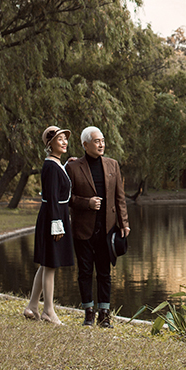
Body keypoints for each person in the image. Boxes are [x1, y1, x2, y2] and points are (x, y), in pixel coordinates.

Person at [66, 126, 130, 327]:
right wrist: (87, 203)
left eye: (102, 140)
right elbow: (67, 198)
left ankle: (104, 314)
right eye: (96, 141)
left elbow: (120, 197)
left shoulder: (113, 165)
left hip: (107, 230)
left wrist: (124, 224)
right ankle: (88, 313)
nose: (101, 144)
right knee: (85, 272)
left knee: (104, 273)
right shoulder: (73, 167)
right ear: (85, 145)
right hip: (82, 229)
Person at [22, 126, 75, 325]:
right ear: (49, 144)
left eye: (65, 139)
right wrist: (57, 224)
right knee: (51, 264)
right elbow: (52, 197)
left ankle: (32, 306)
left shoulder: (55, 165)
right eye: (59, 139)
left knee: (46, 264)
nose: (64, 142)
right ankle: (48, 311)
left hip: (55, 214)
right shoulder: (51, 167)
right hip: (54, 216)